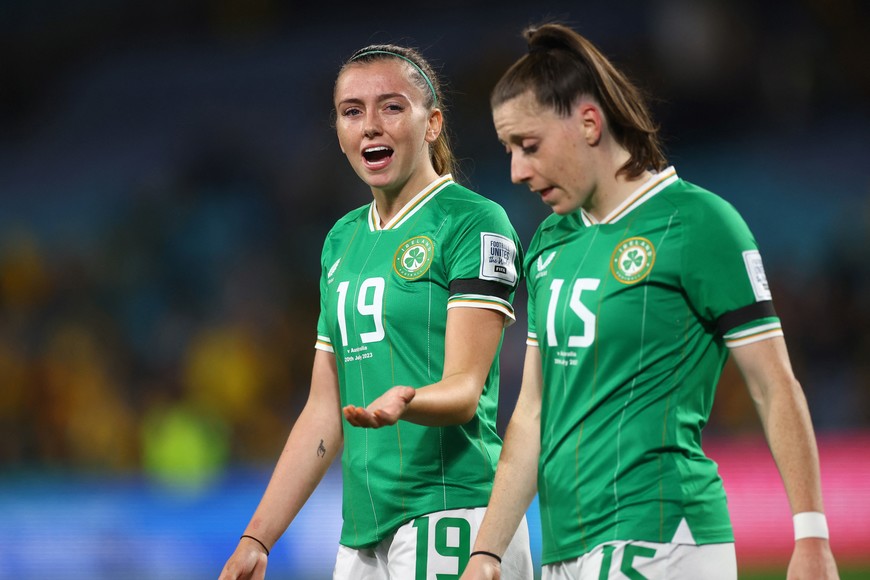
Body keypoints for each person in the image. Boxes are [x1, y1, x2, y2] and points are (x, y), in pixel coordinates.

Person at [461, 23, 839, 580]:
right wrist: (486, 553)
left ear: (589, 122)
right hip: (566, 548)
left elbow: (773, 383)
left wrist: (811, 536)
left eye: (529, 145)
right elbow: (533, 413)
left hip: (662, 534)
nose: (516, 170)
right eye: (509, 150)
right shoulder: (547, 245)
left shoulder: (699, 223)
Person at [218, 43, 533, 580]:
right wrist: (258, 536)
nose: (370, 126)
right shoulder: (341, 241)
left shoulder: (473, 223)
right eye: (352, 111)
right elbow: (324, 409)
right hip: (363, 534)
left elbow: (465, 390)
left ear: (432, 123)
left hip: (451, 512)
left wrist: (406, 399)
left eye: (391, 106)